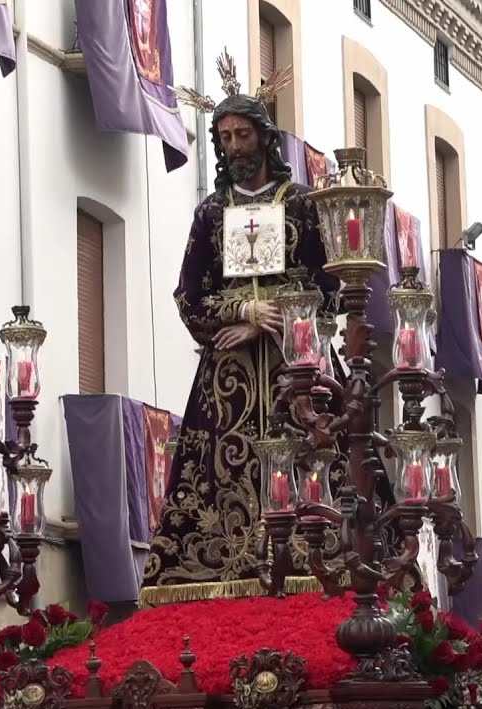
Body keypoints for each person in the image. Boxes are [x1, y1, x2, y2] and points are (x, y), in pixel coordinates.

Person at [141, 56, 345, 598]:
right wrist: (243, 314)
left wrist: (279, 322)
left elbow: (333, 287)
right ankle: (224, 569)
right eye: (225, 137)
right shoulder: (210, 213)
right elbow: (188, 295)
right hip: (228, 375)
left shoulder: (301, 204)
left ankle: (319, 563)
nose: (234, 147)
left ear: (264, 138)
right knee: (214, 477)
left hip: (297, 362)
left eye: (242, 134)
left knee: (320, 454)